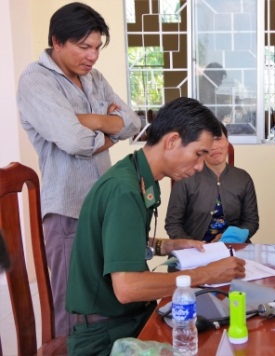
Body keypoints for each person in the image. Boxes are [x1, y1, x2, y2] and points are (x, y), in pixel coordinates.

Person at [65, 97, 246, 355]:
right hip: (106, 336)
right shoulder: (124, 191)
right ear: (172, 141)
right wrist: (207, 274)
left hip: (127, 319)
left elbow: (120, 241)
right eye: (198, 154)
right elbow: (128, 287)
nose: (198, 167)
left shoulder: (137, 175)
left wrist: (167, 245)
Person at [16, 2, 141, 337]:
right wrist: (109, 129)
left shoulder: (94, 78)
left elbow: (133, 122)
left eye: (97, 47)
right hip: (68, 212)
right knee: (73, 307)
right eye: (84, 47)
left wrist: (92, 121)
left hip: (103, 206)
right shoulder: (35, 80)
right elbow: (74, 141)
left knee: (105, 302)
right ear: (57, 42)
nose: (93, 56)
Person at [165, 123, 259, 243]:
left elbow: (251, 222)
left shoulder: (243, 178)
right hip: (194, 252)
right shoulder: (185, 177)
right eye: (208, 142)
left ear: (227, 141)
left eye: (218, 139)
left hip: (233, 248)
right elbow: (173, 224)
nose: (214, 146)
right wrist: (193, 245)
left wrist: (231, 239)